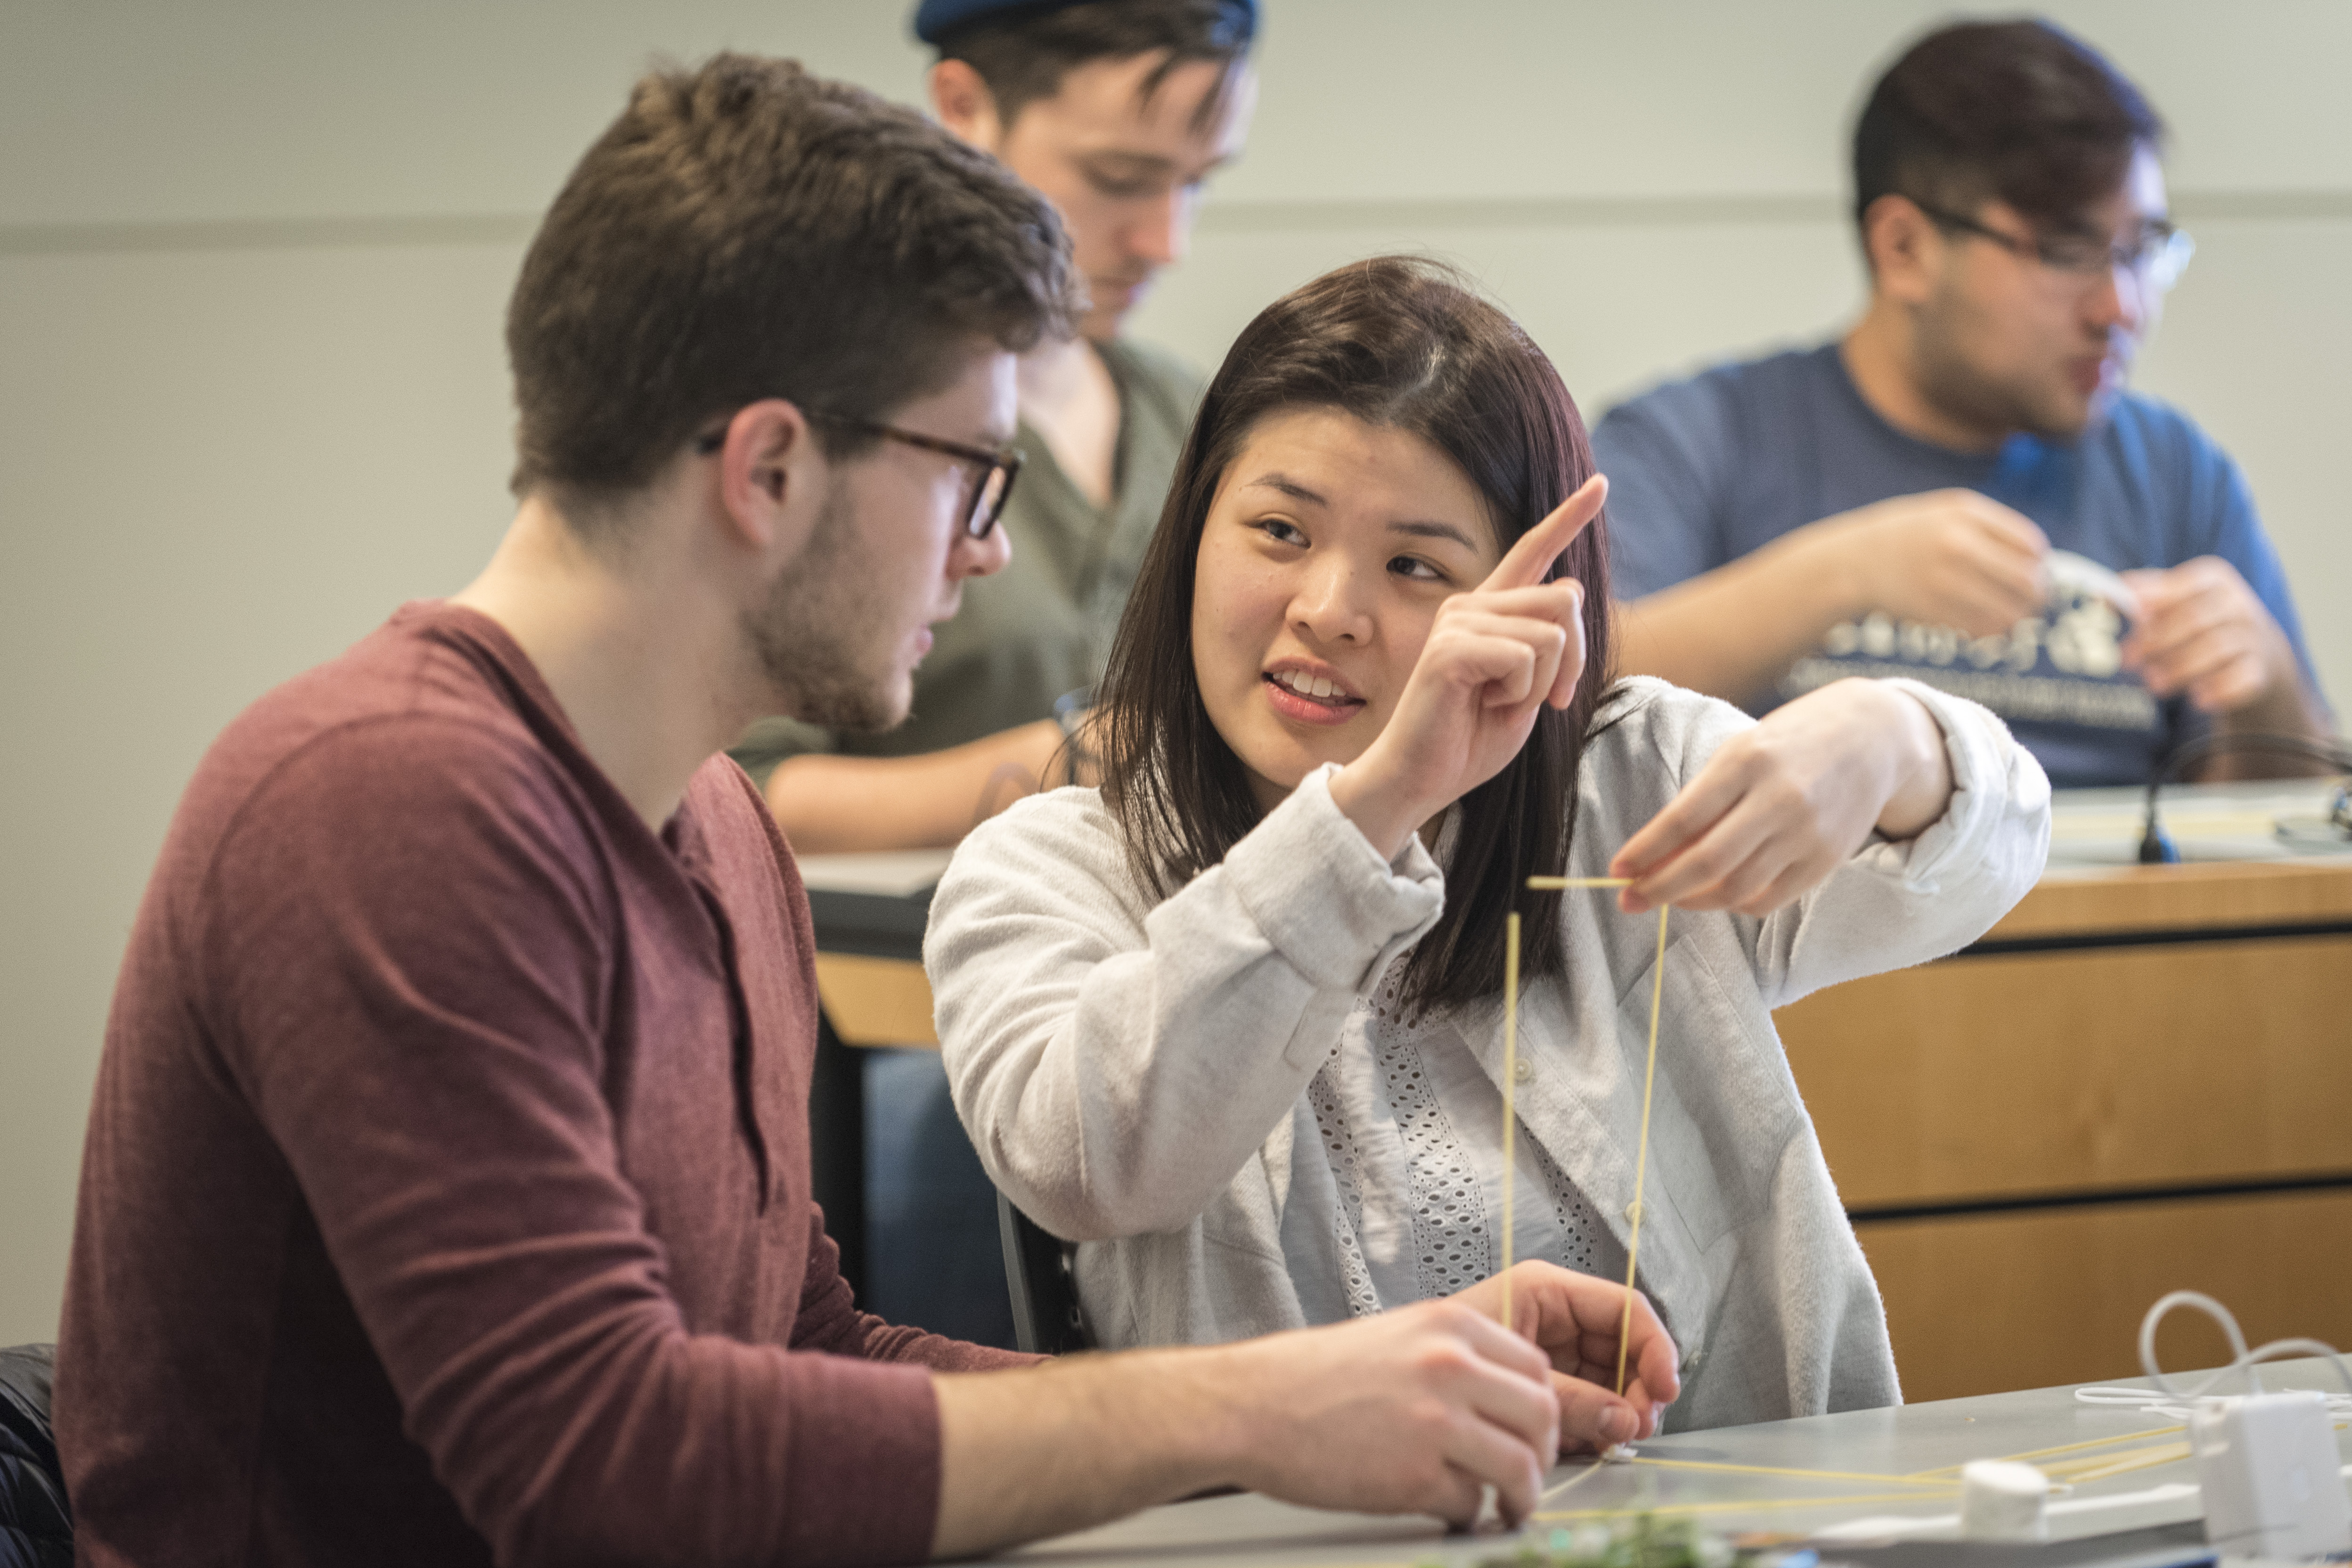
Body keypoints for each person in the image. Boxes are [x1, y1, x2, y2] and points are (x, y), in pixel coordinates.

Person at [54, 61, 1693, 1568]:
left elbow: (803, 1354)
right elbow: (601, 1466)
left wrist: (1348, 1383)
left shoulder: (711, 817)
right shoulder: (385, 802)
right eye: (973, 473)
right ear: (769, 468)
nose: (986, 550)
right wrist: (1251, 1415)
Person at [927, 257, 2052, 1432]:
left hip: (1721, 1517)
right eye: (1278, 530)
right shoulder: (1046, 866)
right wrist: (1379, 801)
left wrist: (1890, 738)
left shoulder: (1622, 781)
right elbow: (1093, 1163)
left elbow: (1983, 856)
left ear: (1532, 597)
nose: (1331, 607)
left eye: (1416, 565)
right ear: (1193, 531)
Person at [1596, 18, 2332, 789]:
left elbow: (2286, 835)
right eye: (2067, 251)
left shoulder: (2174, 471)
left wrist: (2269, 688)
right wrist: (1841, 576)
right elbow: (1566, 705)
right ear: (1904, 249)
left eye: (2142, 250)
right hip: (1794, 909)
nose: (2123, 307)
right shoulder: (1695, 440)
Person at [734, 0, 1257, 848]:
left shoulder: (1190, 412)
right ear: (964, 106)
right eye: (1120, 177)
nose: (1167, 240)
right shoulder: (834, 414)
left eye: (1197, 181)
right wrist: (1073, 764)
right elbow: (727, 793)